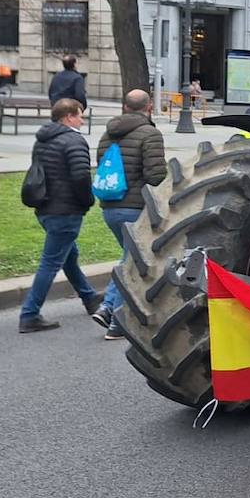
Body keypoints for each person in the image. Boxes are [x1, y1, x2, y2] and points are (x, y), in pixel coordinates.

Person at [18, 98, 102, 332]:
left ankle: (89, 297)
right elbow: (81, 177)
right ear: (68, 117)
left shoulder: (43, 139)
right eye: (79, 115)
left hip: (45, 207)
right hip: (65, 210)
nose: (82, 120)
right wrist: (87, 201)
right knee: (51, 262)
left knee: (68, 256)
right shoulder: (74, 141)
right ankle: (30, 314)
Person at [92, 90, 166, 339]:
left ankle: (116, 320)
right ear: (148, 108)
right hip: (135, 209)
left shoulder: (107, 133)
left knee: (130, 260)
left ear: (125, 107)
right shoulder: (150, 134)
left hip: (109, 207)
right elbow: (155, 176)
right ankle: (109, 309)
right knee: (131, 262)